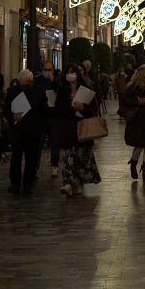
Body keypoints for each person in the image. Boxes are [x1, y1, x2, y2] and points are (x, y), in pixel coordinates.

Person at [56, 63, 102, 197]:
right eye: (68, 72)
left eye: (73, 71)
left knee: (81, 157)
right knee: (69, 157)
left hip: (82, 128)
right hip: (68, 129)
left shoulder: (86, 89)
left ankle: (77, 183)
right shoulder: (63, 90)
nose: (71, 74)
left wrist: (83, 108)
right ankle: (69, 184)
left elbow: (93, 109)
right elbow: (59, 109)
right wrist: (72, 109)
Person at [5, 69, 47, 195]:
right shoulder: (13, 92)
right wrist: (13, 116)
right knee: (16, 157)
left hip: (33, 130)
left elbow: (44, 111)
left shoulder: (39, 92)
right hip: (18, 130)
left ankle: (28, 184)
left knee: (31, 158)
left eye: (27, 83)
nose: (25, 85)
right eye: (23, 83)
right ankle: (15, 183)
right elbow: (6, 110)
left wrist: (40, 127)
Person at [121, 64, 145, 182]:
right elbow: (124, 100)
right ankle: (133, 164)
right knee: (138, 145)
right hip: (138, 119)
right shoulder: (133, 86)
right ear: (144, 74)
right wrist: (136, 101)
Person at [34, 60, 61, 179]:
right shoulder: (37, 81)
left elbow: (61, 94)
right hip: (41, 116)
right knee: (38, 142)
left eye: (49, 70)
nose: (47, 72)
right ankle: (35, 167)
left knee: (55, 142)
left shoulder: (57, 81)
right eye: (45, 69)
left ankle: (54, 166)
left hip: (54, 116)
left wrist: (54, 82)